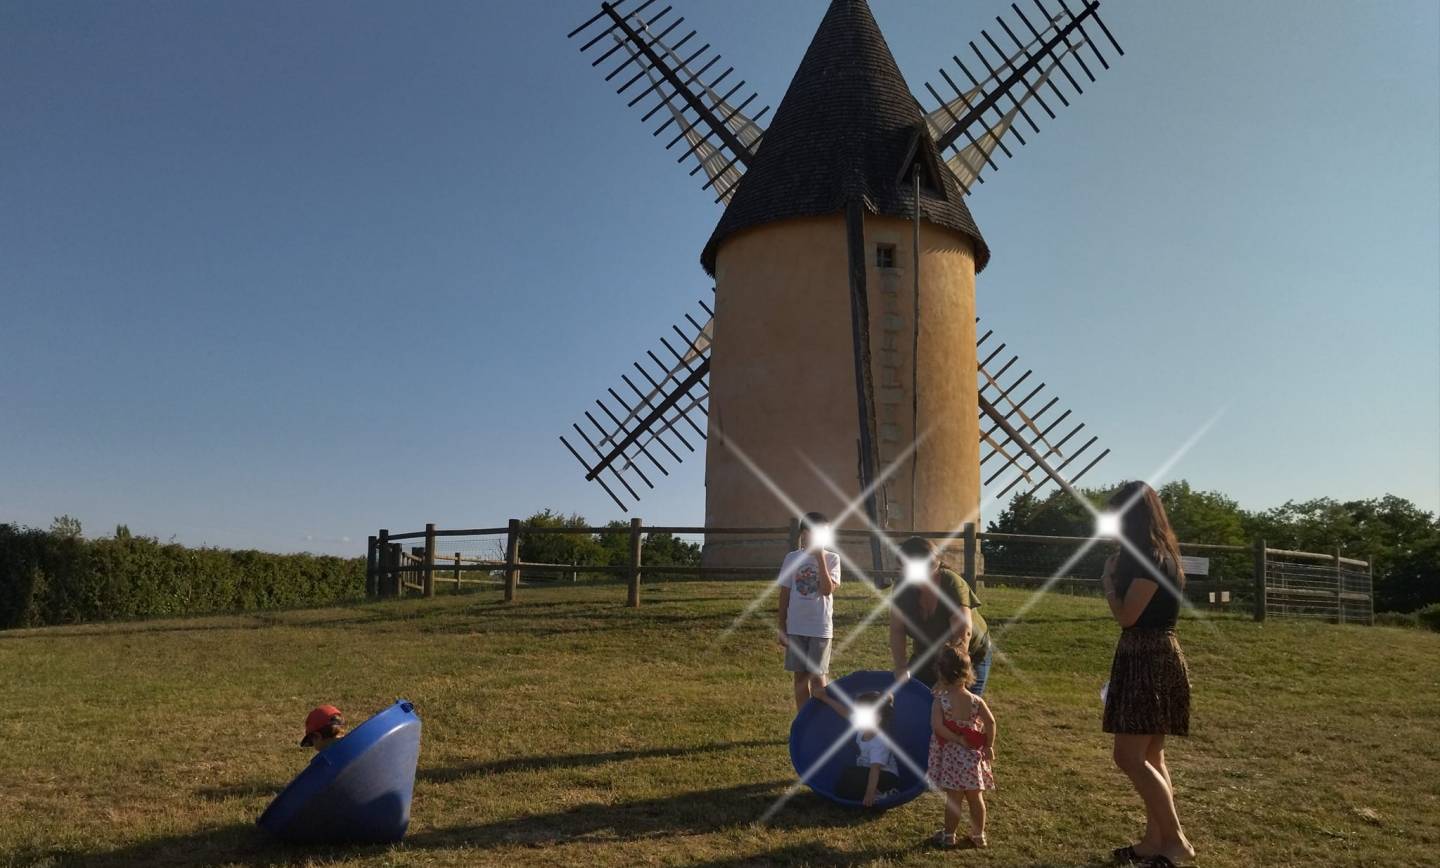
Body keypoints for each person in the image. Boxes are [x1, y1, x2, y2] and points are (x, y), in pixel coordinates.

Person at [1100, 481, 1196, 867]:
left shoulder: (1148, 558)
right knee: (1152, 755)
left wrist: (1108, 583)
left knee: (1128, 756)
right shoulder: (1163, 554)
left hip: (1148, 658)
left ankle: (1176, 841)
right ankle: (1154, 841)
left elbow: (1127, 616)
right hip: (1156, 654)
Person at [889, 536, 992, 693]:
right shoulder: (902, 588)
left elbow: (963, 633)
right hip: (927, 652)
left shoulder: (952, 583)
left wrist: (948, 677)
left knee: (958, 707)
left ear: (933, 566)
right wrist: (901, 667)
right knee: (917, 699)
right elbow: (897, 630)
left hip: (967, 653)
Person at [926, 644, 995, 849]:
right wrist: (989, 745)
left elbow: (937, 727)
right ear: (968, 673)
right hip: (974, 756)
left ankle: (949, 836)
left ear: (941, 673)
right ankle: (978, 835)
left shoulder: (941, 701)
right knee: (976, 798)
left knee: (954, 800)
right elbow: (990, 722)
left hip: (953, 757)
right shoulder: (976, 700)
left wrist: (957, 740)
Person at [777, 512, 844, 715]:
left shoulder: (832, 559)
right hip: (796, 626)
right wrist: (782, 625)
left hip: (819, 628)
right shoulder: (792, 558)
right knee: (800, 677)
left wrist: (820, 557)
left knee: (818, 678)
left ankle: (822, 720)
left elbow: (826, 589)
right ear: (804, 534)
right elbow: (785, 593)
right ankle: (803, 721)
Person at [834, 691, 901, 807]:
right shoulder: (863, 727)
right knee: (846, 779)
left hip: (886, 777)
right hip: (868, 772)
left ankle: (883, 794)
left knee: (854, 778)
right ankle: (870, 792)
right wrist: (824, 698)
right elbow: (845, 713)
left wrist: (869, 795)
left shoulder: (880, 742)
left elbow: (875, 770)